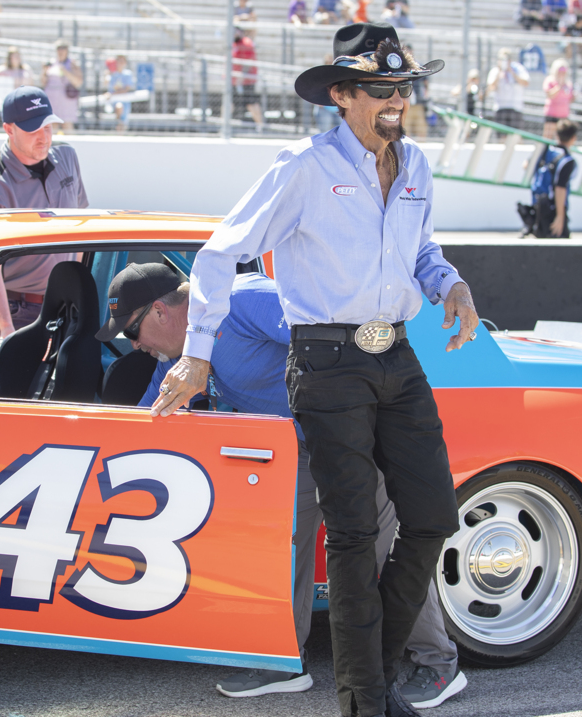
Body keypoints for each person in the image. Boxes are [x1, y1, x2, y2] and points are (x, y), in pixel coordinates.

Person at [153, 23, 480, 717]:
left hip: (396, 350)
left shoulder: (415, 161)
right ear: (342, 95)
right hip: (326, 360)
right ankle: (366, 701)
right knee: (356, 533)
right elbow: (219, 255)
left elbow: (420, 249)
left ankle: (372, 671)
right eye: (380, 89)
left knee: (431, 516)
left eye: (403, 87)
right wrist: (197, 352)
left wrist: (449, 282)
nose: (396, 100)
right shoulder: (303, 165)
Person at [96, 264, 468, 710]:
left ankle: (440, 663)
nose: (134, 346)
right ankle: (286, 660)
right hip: (303, 449)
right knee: (280, 544)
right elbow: (148, 419)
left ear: (160, 311)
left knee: (378, 552)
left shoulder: (244, 301)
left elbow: (337, 339)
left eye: (132, 332)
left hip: (361, 444)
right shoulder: (182, 356)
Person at [0, 87, 88, 339]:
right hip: (14, 312)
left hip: (64, 307)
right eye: (33, 129)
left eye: (47, 127)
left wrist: (75, 295)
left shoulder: (67, 157)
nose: (43, 137)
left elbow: (82, 226)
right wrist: (5, 327)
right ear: (9, 129)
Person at [524, 119, 577, 237]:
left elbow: (526, 165)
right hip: (552, 208)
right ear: (573, 138)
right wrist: (560, 216)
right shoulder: (567, 160)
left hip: (536, 204)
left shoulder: (545, 150)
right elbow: (560, 188)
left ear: (556, 135)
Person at [41, 39, 82, 133]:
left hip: (67, 100)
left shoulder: (72, 64)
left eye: (63, 48)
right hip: (52, 98)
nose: (61, 51)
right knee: (52, 125)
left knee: (67, 126)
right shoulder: (50, 63)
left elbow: (78, 82)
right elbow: (44, 82)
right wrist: (44, 71)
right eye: (59, 48)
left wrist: (65, 71)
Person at [486, 47, 530, 130]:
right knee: (502, 137)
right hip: (500, 108)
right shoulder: (495, 71)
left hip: (516, 108)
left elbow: (526, 82)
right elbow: (491, 87)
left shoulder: (518, 69)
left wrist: (511, 72)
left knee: (516, 136)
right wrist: (499, 73)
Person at [233, 28, 264, 130]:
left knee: (250, 103)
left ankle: (260, 126)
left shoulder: (246, 43)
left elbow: (248, 62)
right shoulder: (233, 44)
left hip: (246, 80)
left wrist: (242, 76)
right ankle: (223, 126)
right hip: (234, 80)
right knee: (229, 102)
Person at [400, 43, 428, 139]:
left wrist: (425, 95)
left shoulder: (418, 65)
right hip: (405, 101)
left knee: (421, 128)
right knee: (406, 129)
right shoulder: (400, 67)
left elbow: (425, 82)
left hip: (417, 103)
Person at [542, 58, 573, 140]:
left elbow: (570, 99)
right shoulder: (550, 80)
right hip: (552, 114)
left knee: (562, 138)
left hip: (563, 115)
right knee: (548, 137)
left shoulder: (568, 83)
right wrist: (559, 86)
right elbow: (549, 95)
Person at [107, 54, 135, 132]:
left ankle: (121, 127)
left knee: (123, 118)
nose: (120, 63)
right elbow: (108, 86)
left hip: (124, 100)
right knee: (118, 108)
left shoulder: (127, 74)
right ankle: (118, 125)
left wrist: (113, 94)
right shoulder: (112, 74)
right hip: (113, 101)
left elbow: (126, 89)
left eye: (122, 61)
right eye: (118, 61)